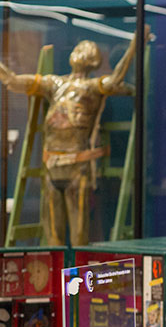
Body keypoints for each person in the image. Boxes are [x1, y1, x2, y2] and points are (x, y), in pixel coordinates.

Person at [0, 26, 148, 245]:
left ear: (93, 60)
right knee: (53, 238)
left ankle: (76, 277)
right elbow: (12, 81)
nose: (79, 52)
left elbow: (116, 80)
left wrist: (135, 45)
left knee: (79, 237)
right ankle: (55, 278)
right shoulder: (54, 83)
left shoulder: (93, 87)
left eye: (85, 50)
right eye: (78, 49)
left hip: (77, 170)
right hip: (51, 167)